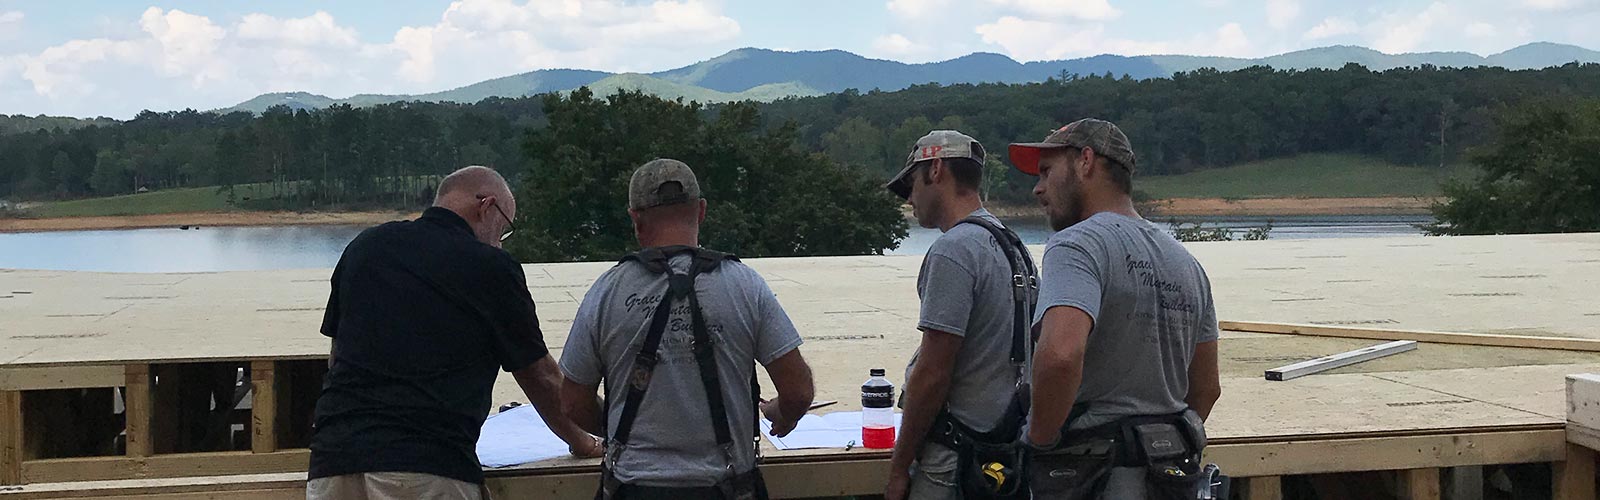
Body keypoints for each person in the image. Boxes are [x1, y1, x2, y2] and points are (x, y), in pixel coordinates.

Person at [308, 166, 602, 500]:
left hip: (332, 464)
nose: (500, 243)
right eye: (504, 230)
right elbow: (540, 376)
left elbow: (338, 357)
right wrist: (585, 441)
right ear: (486, 206)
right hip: (427, 466)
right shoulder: (490, 267)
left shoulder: (365, 247)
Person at [560, 159, 816, 499]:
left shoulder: (607, 291)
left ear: (636, 219)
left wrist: (621, 426)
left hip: (633, 487)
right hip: (726, 487)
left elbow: (572, 401)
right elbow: (798, 391)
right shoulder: (745, 286)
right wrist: (780, 415)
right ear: (701, 211)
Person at [1009, 119, 1223, 498]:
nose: (1037, 188)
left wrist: (1039, 441)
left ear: (1085, 162)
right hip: (1168, 479)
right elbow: (1206, 388)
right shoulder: (1186, 263)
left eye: (1046, 171)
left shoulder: (1076, 245)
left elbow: (1059, 355)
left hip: (1094, 478)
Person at [882, 131, 1037, 500]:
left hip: (953, 463)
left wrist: (899, 468)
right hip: (1004, 455)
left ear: (935, 170)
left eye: (911, 185)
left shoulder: (953, 250)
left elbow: (933, 373)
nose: (911, 200)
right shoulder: (1012, 244)